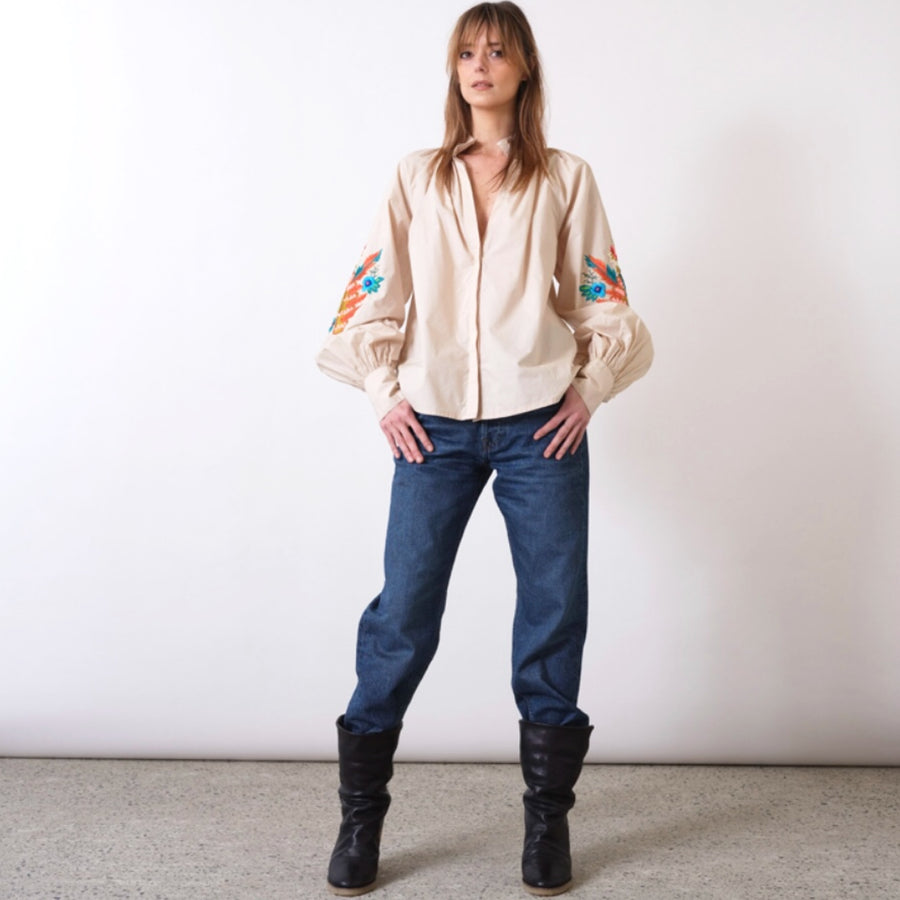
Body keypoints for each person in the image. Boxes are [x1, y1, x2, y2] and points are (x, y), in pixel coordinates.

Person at [315, 2, 653, 895]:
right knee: (402, 615)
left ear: (524, 67)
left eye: (497, 51)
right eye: (467, 51)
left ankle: (547, 825)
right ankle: (360, 821)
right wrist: (385, 394)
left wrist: (589, 389)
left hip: (540, 423)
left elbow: (601, 297)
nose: (480, 65)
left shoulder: (566, 177)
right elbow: (371, 296)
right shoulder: (416, 176)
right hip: (432, 427)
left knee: (552, 611)